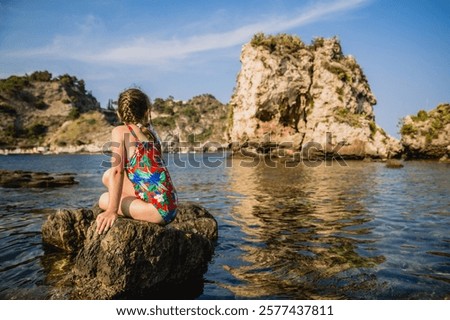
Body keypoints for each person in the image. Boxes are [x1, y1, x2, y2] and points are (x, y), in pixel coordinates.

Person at [96, 88, 178, 234]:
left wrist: (111, 210)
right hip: (170, 205)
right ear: (146, 111)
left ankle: (117, 203)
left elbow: (117, 170)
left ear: (120, 113)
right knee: (108, 176)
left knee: (104, 198)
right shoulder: (151, 134)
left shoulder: (121, 131)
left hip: (157, 212)